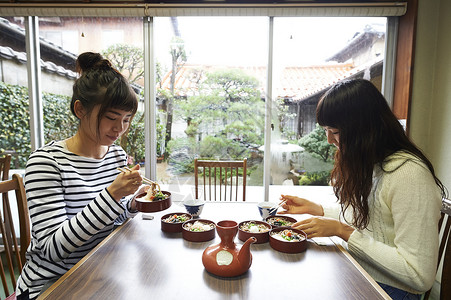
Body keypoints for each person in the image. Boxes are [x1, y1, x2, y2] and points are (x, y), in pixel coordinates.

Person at [279, 79, 447, 300]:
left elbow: (419, 275)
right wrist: (318, 209)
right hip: (358, 271)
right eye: (326, 131)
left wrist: (343, 231)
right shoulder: (371, 162)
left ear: (363, 128)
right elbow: (364, 221)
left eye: (335, 131)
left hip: (390, 290)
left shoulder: (409, 175)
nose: (329, 140)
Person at [16, 52, 147, 300]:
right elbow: (54, 249)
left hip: (99, 271)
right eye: (111, 118)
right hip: (51, 284)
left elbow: (110, 223)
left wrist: (132, 203)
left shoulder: (116, 156)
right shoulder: (46, 163)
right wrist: (112, 194)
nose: (119, 129)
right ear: (80, 110)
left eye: (127, 120)